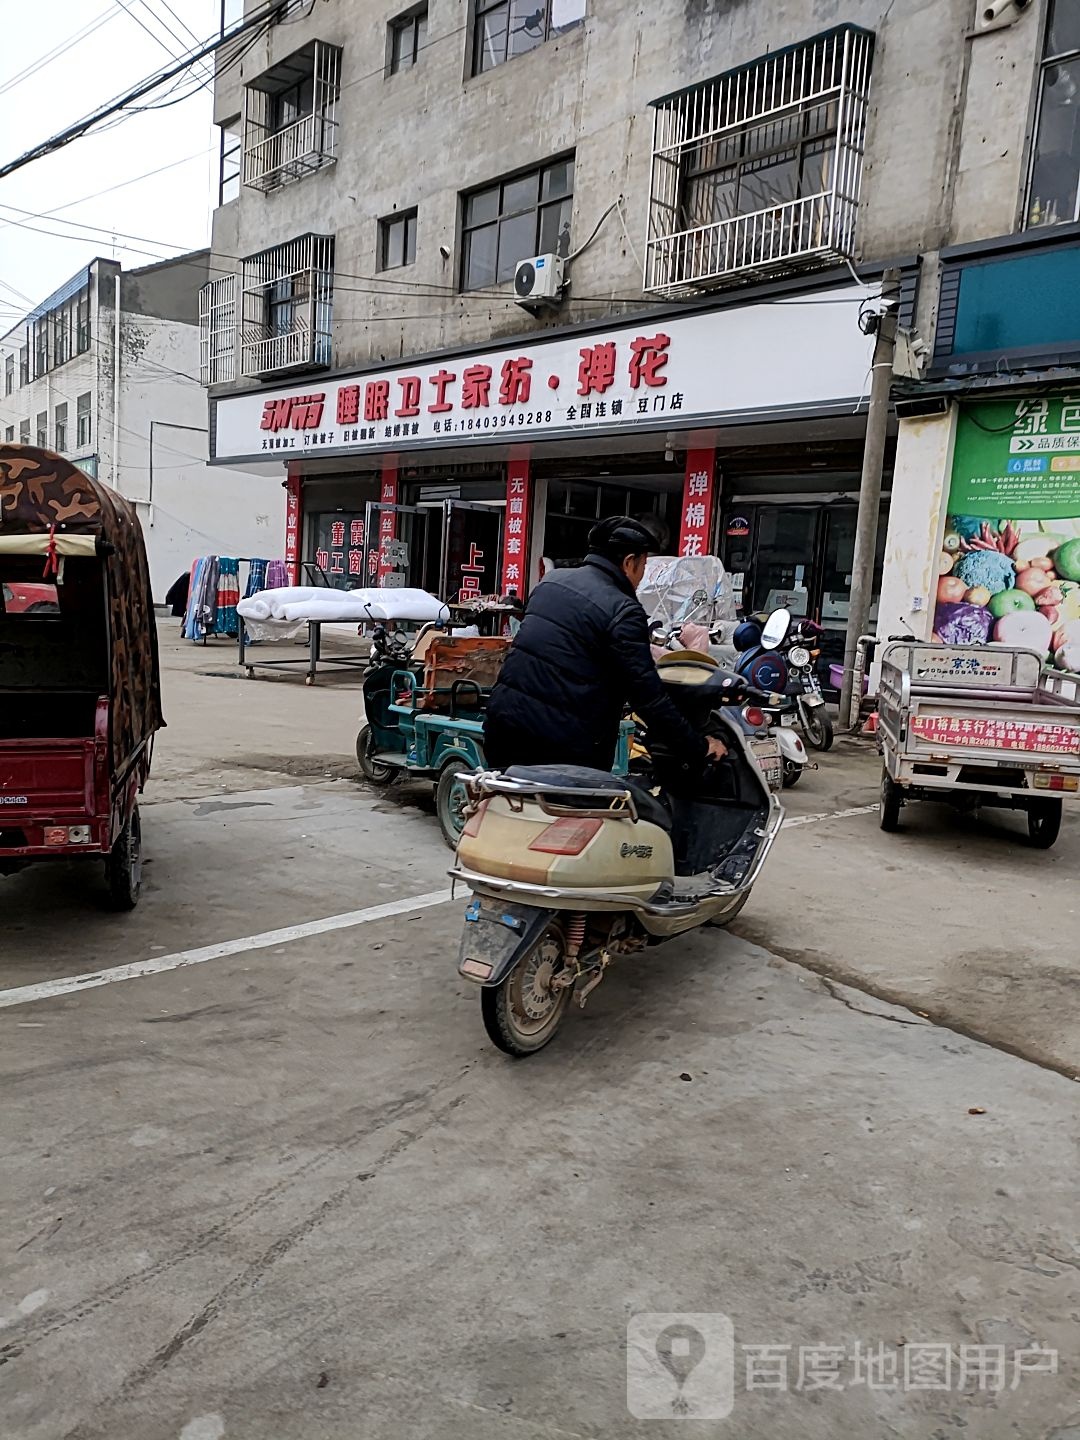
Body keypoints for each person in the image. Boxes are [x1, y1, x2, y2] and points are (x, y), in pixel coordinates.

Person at [484, 515, 726, 775]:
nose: (642, 575)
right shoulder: (623, 609)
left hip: (503, 731)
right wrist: (698, 746)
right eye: (643, 565)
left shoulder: (550, 584)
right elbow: (648, 699)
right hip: (562, 752)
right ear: (629, 562)